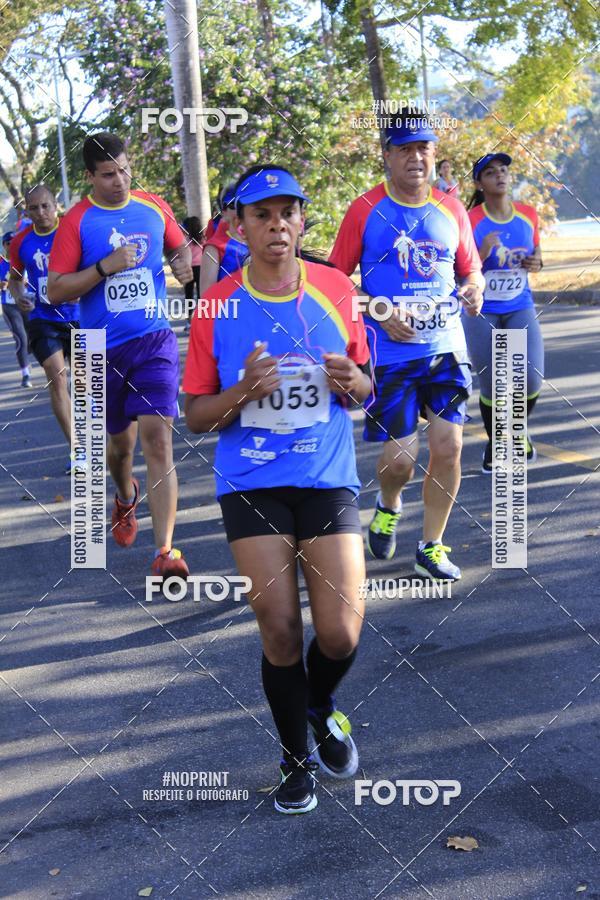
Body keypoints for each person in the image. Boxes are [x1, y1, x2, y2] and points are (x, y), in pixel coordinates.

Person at [183, 165, 371, 815]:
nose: (277, 225)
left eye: (287, 212)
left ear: (301, 220)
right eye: (262, 214)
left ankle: (317, 705)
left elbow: (364, 386)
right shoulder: (216, 305)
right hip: (252, 481)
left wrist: (354, 381)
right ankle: (295, 760)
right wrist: (242, 391)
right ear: (239, 225)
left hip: (325, 474)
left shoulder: (335, 289)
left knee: (341, 633)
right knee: (282, 629)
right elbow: (196, 416)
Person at [330, 108, 484, 581]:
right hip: (391, 354)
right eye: (405, 150)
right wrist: (377, 309)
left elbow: (471, 269)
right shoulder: (364, 209)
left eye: (424, 149)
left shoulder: (451, 208)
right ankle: (388, 502)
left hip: (447, 348)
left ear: (434, 154)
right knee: (400, 461)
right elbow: (334, 280)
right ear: (387, 155)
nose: (416, 158)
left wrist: (474, 288)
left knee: (449, 448)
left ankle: (430, 546)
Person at [47, 132, 193, 578]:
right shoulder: (77, 222)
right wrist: (102, 268)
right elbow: (55, 290)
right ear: (90, 176)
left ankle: (166, 551)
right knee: (120, 449)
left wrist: (182, 262)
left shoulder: (153, 206)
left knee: (158, 439)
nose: (120, 181)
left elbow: (179, 245)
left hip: (153, 340)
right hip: (99, 350)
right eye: (109, 174)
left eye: (125, 170)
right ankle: (125, 496)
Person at [465, 152, 544, 471]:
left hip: (519, 305)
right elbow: (458, 268)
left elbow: (537, 254)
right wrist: (482, 252)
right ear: (479, 184)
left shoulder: (528, 214)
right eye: (490, 172)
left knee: (531, 378)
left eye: (503, 170)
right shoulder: (470, 220)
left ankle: (517, 430)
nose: (500, 175)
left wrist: (537, 262)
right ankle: (497, 443)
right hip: (481, 310)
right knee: (493, 384)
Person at [9, 187, 80, 468]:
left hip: (81, 316)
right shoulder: (20, 241)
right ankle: (77, 451)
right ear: (26, 211)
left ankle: (96, 442)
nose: (40, 213)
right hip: (43, 318)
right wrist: (19, 296)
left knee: (91, 384)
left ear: (56, 205)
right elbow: (15, 279)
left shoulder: (74, 230)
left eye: (45, 206)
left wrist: (82, 288)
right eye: (34, 208)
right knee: (56, 376)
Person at [198, 183, 248, 294]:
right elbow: (207, 296)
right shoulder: (213, 248)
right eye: (233, 205)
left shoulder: (261, 243)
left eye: (243, 203)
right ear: (224, 211)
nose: (239, 210)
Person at [1, 232, 32, 387]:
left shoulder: (25, 258)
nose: (12, 245)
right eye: (9, 243)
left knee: (33, 337)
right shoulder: (1, 263)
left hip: (28, 304)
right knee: (21, 338)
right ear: (4, 245)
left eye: (14, 242)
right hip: (10, 306)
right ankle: (25, 374)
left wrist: (26, 282)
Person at [181, 215, 203, 334]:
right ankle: (201, 322)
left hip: (188, 268)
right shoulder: (203, 239)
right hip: (201, 268)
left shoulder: (185, 239)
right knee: (201, 296)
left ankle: (189, 323)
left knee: (189, 296)